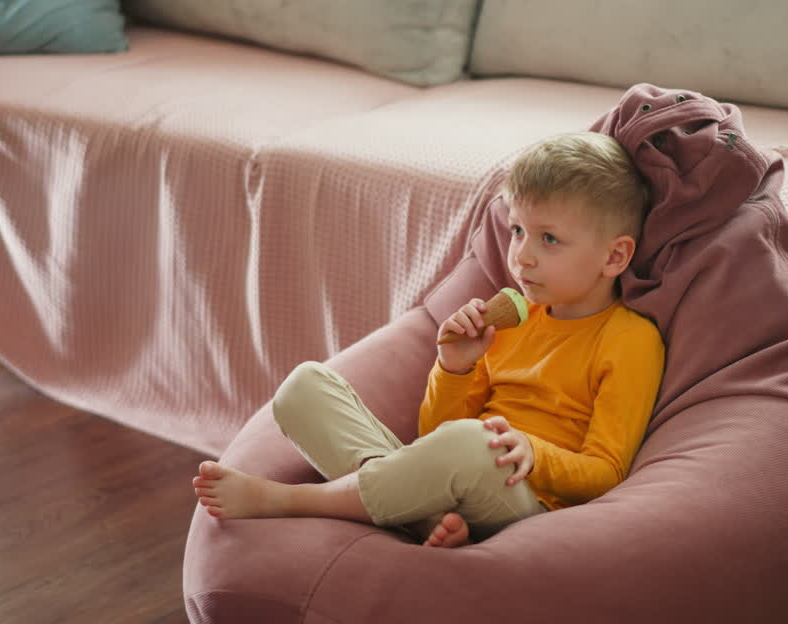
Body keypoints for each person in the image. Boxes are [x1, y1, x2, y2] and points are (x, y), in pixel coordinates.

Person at [191, 131, 666, 548]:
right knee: (305, 385)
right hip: (455, 471)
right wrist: (455, 366)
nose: (521, 257)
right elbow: (434, 435)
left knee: (473, 443)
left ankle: (291, 501)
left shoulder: (630, 340)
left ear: (614, 256)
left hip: (528, 502)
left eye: (549, 239)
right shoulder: (511, 322)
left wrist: (532, 452)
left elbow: (607, 473)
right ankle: (422, 518)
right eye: (518, 230)